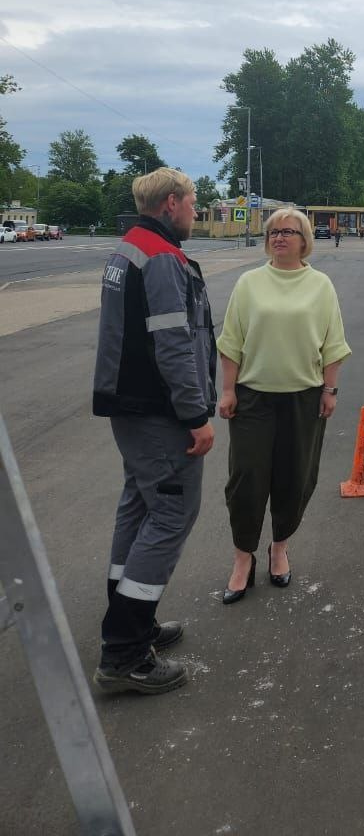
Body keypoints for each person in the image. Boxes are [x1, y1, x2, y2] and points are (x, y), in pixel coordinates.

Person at [92, 168, 216, 695]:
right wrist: (196, 416)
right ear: (170, 203)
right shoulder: (162, 257)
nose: (195, 210)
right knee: (170, 514)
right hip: (162, 414)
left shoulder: (129, 247)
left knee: (138, 508)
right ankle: (123, 653)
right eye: (192, 202)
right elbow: (174, 346)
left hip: (131, 408)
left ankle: (133, 623)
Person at [217, 206, 351, 603]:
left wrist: (330, 391)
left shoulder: (321, 285)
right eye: (273, 232)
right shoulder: (249, 283)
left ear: (304, 240)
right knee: (246, 479)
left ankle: (280, 548)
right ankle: (243, 557)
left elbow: (333, 344)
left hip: (303, 399)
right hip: (253, 397)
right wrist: (227, 390)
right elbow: (231, 342)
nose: (279, 237)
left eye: (288, 231)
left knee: (295, 478)